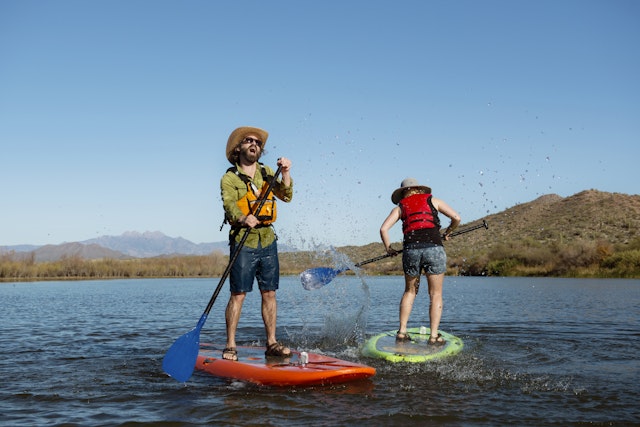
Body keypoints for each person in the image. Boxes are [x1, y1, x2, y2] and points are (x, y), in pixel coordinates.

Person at [220, 126, 293, 361]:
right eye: (249, 141)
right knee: (238, 295)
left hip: (268, 240)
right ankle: (231, 345)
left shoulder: (267, 172)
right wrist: (242, 217)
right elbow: (229, 206)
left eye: (258, 143)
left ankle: (271, 343)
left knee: (269, 293)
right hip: (244, 241)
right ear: (239, 148)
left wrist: (286, 173)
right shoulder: (229, 178)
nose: (254, 144)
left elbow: (286, 195)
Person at [379, 178, 460, 345]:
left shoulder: (400, 207)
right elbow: (456, 217)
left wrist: (389, 248)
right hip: (434, 249)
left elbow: (383, 229)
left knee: (410, 292)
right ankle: (434, 336)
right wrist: (448, 232)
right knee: (435, 294)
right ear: (419, 189)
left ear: (403, 193)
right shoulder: (433, 200)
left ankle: (401, 332)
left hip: (411, 251)